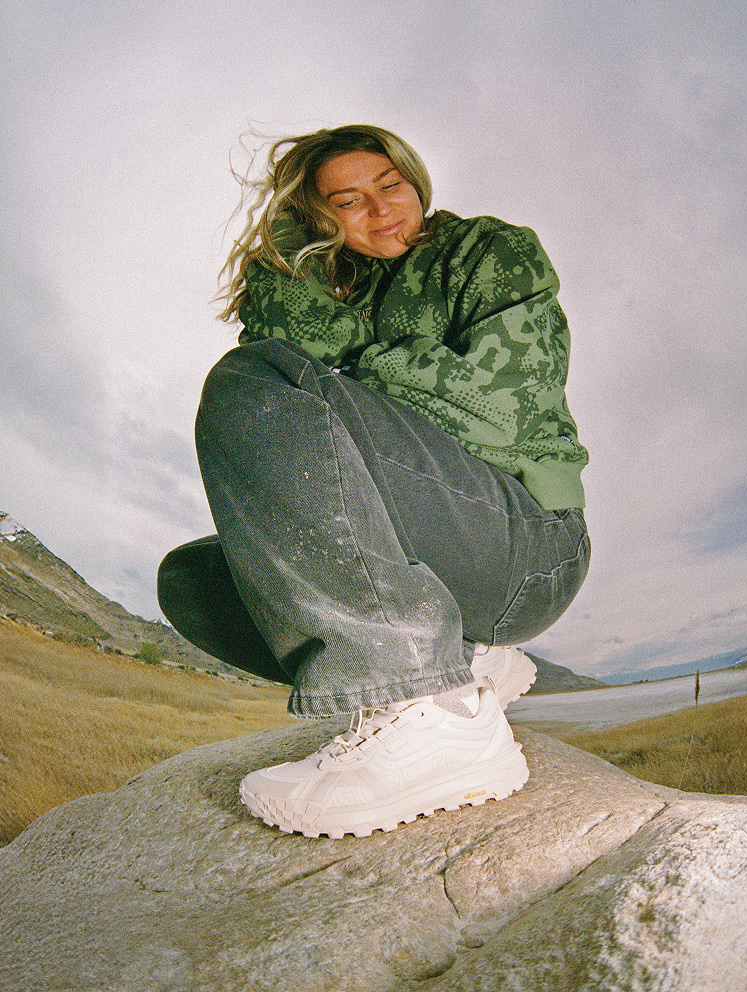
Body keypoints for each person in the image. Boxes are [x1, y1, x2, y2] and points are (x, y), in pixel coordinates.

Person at [157, 124, 590, 840]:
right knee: (194, 581)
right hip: (438, 554)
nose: (383, 208)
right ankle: (458, 665)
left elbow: (500, 414)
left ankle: (426, 712)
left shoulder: (486, 252)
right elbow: (304, 444)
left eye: (390, 184)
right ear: (318, 219)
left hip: (528, 544)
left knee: (256, 376)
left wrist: (353, 368)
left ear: (414, 178)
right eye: (348, 202)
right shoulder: (327, 290)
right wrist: (290, 282)